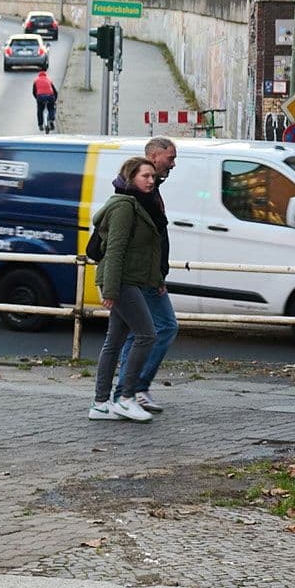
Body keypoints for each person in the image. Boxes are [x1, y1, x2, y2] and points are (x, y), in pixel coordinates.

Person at [90, 156, 165, 423]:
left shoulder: (135, 204)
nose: (151, 180)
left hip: (129, 280)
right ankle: (126, 398)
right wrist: (110, 291)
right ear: (130, 176)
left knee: (114, 341)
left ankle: (100, 404)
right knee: (147, 336)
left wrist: (156, 280)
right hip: (120, 282)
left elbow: (144, 251)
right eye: (145, 176)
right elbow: (115, 250)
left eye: (153, 177)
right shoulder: (124, 206)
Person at [114, 137, 178, 413]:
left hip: (145, 274)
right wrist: (156, 276)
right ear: (153, 156)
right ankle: (133, 389)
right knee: (163, 327)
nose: (173, 164)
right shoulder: (135, 197)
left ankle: (123, 392)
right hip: (142, 275)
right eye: (170, 158)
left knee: (134, 334)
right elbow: (140, 242)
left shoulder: (149, 190)